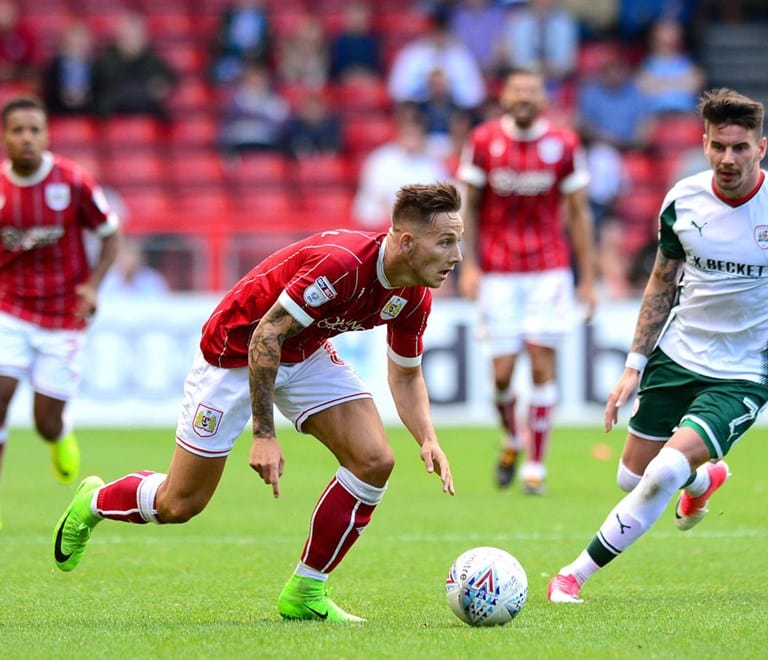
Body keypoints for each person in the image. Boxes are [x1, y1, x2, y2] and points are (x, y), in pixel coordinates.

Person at [52, 183, 461, 622]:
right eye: (446, 241)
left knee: (375, 460)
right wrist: (264, 435)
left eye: (457, 241)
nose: (456, 256)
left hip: (304, 353)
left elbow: (405, 373)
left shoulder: (414, 295)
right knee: (179, 503)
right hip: (234, 351)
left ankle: (306, 591)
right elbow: (264, 335)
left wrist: (428, 437)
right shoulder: (341, 265)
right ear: (405, 241)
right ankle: (93, 502)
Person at [547, 88, 768, 603]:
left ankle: (572, 575)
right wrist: (633, 366)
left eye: (740, 147)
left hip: (743, 371)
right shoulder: (682, 200)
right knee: (630, 477)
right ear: (704, 144)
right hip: (678, 354)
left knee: (664, 470)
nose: (728, 159)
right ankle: (704, 480)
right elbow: (661, 281)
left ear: (762, 148)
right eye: (718, 146)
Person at [457, 67, 596, 494]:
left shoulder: (564, 143)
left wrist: (585, 278)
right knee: (501, 376)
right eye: (517, 89)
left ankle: (536, 466)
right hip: (498, 273)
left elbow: (577, 212)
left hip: (548, 270)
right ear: (504, 95)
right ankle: (512, 439)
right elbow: (469, 207)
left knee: (540, 363)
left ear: (543, 99)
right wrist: (468, 264)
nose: (524, 97)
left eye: (532, 91)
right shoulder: (482, 142)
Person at [0, 96, 120, 524]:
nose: (26, 138)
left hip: (63, 316)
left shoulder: (72, 182)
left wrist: (92, 286)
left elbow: (110, 235)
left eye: (34, 129)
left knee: (45, 421)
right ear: (5, 137)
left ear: (47, 135)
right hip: (8, 310)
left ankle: (59, 435)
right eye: (17, 130)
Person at [93, 10, 178, 121]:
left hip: (147, 113)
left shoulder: (152, 59)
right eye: (128, 36)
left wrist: (161, 85)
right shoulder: (107, 60)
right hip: (114, 114)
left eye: (136, 36)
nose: (132, 41)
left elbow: (170, 77)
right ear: (119, 38)